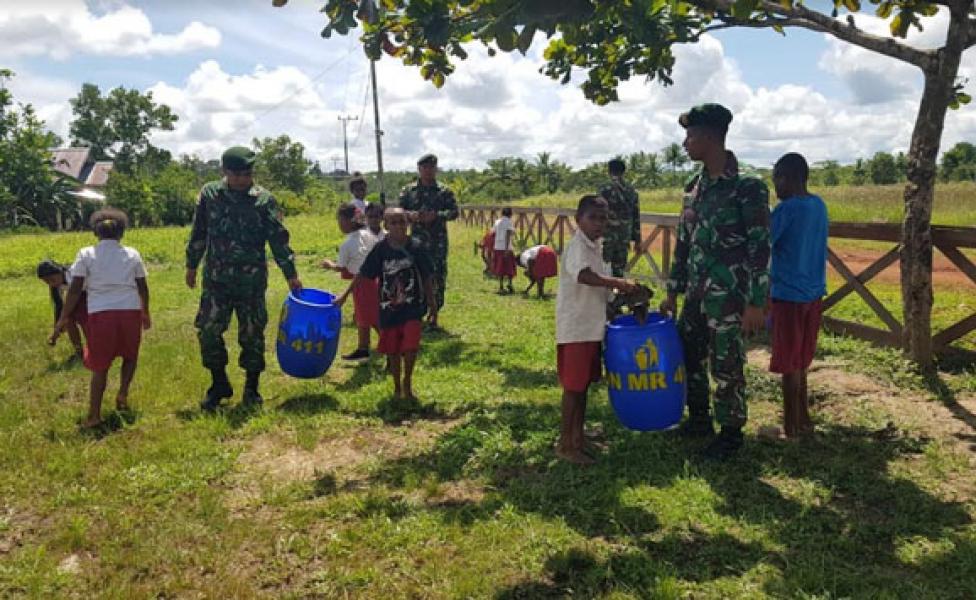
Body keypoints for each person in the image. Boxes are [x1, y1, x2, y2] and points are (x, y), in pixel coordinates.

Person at [659, 103, 771, 461]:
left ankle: (731, 433)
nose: (685, 143)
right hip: (695, 293)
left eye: (690, 136)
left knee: (726, 363)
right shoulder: (693, 188)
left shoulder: (747, 186)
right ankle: (699, 419)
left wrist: (756, 301)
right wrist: (673, 292)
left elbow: (760, 246)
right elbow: (684, 244)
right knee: (688, 354)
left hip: (730, 296)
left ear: (709, 137)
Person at [186, 145, 302, 411]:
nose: (242, 179)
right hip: (216, 280)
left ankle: (252, 388)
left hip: (251, 283)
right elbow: (199, 231)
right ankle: (219, 384)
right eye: (236, 174)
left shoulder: (263, 200)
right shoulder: (210, 194)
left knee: (252, 334)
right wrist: (191, 265)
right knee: (208, 331)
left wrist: (291, 275)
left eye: (247, 174)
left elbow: (278, 239)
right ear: (224, 171)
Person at [556, 195, 638, 465]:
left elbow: (604, 289)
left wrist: (625, 294)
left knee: (583, 387)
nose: (599, 224)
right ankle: (566, 444)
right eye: (593, 217)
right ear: (578, 219)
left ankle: (578, 436)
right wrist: (617, 282)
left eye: (603, 219)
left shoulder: (595, 247)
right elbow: (583, 276)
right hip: (577, 329)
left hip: (592, 328)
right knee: (573, 388)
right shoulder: (578, 246)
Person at [51, 209, 150, 428]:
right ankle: (123, 393)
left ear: (96, 233)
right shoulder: (132, 254)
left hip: (101, 314)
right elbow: (143, 287)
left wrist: (63, 317)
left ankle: (94, 415)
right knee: (130, 356)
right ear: (121, 233)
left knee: (100, 366)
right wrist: (146, 312)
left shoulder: (86, 254)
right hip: (129, 311)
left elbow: (75, 290)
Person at [761, 153, 828, 440]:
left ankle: (790, 428)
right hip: (813, 293)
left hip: (787, 294)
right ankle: (804, 419)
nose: (776, 186)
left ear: (785, 178)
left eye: (776, 179)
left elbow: (765, 241)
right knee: (801, 360)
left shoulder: (786, 210)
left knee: (788, 363)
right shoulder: (818, 205)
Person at [337, 208, 435, 401]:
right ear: (386, 226)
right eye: (393, 223)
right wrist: (345, 295)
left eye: (401, 222)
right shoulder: (380, 250)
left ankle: (408, 382)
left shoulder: (416, 247)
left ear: (407, 224)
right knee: (393, 350)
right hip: (389, 309)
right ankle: (397, 386)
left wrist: (432, 304)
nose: (398, 226)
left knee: (410, 346)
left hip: (412, 307)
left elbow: (427, 277)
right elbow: (363, 274)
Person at [398, 153, 458, 329]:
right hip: (416, 243)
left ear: (436, 169)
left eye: (431, 167)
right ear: (419, 169)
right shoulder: (408, 191)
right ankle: (418, 313)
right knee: (416, 277)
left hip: (438, 243)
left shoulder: (444, 191)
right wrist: (411, 215)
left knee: (438, 278)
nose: (428, 171)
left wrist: (437, 216)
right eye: (424, 167)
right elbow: (398, 211)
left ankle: (434, 314)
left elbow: (454, 212)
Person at [321, 202, 380, 361]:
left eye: (340, 220)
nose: (339, 224)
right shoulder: (369, 234)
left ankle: (392, 346)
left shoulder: (347, 244)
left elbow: (341, 267)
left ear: (348, 221)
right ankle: (363, 348)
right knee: (363, 317)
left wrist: (329, 264)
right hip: (376, 279)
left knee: (372, 318)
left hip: (363, 283)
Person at [599, 157, 641, 277]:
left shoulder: (604, 188)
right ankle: (617, 293)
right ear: (623, 171)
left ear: (609, 171)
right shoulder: (632, 191)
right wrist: (637, 240)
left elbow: (598, 212)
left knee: (603, 268)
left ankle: (605, 295)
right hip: (624, 236)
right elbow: (636, 216)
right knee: (619, 271)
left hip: (607, 235)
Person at [37, 259, 87, 358]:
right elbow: (59, 306)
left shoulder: (73, 276)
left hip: (87, 294)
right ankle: (79, 351)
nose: (51, 284)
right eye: (47, 282)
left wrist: (62, 320)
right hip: (75, 296)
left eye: (52, 280)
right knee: (69, 320)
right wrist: (57, 329)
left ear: (60, 272)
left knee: (83, 318)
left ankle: (95, 349)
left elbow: (76, 295)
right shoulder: (56, 285)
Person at [491, 207, 516, 294]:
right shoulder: (509, 222)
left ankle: (501, 286)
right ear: (510, 214)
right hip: (507, 248)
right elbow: (508, 234)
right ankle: (510, 284)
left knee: (500, 267)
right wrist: (506, 249)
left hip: (497, 247)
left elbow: (492, 232)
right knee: (509, 267)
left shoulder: (497, 221)